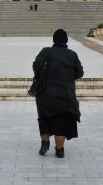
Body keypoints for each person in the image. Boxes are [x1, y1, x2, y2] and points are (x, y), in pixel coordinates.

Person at [32, 29, 83, 158]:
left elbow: (36, 65)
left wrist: (41, 75)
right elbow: (79, 73)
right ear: (66, 40)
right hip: (66, 94)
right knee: (61, 121)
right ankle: (60, 150)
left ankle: (45, 142)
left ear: (54, 40)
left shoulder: (46, 51)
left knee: (45, 118)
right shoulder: (72, 54)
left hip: (46, 93)